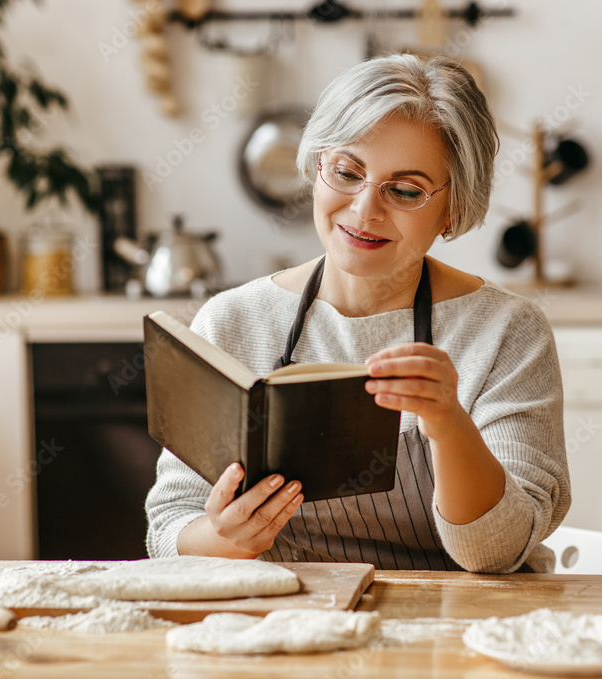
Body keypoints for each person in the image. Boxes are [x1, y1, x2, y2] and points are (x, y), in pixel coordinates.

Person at [145, 53, 570, 573]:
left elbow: (496, 552)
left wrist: (447, 421)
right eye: (348, 172)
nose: (364, 210)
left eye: (406, 190)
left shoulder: (507, 332)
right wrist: (223, 537)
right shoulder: (232, 321)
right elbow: (169, 528)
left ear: (453, 208)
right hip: (289, 627)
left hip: (454, 633)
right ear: (317, 167)